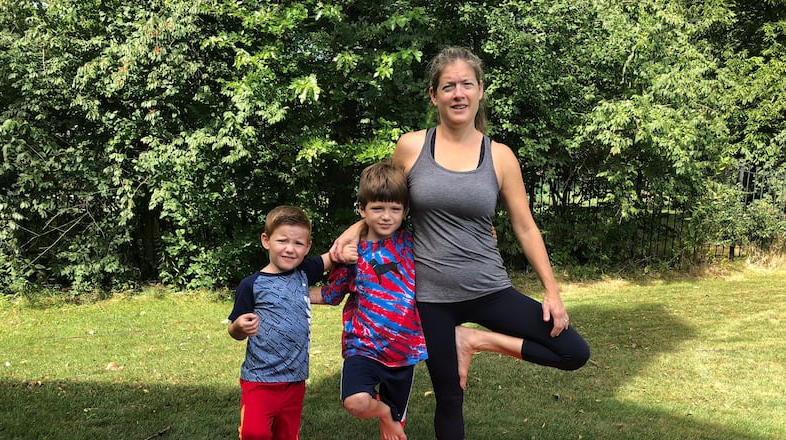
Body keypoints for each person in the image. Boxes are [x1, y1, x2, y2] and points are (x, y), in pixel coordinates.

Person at [330, 46, 590, 439]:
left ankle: (475, 339)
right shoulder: (412, 146)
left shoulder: (500, 156)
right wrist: (353, 231)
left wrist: (551, 291)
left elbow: (525, 227)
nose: (458, 93)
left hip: (489, 288)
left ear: (480, 90)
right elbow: (385, 205)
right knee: (449, 399)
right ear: (434, 95)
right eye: (448, 86)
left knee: (573, 351)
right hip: (431, 299)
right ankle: (460, 339)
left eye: (466, 84)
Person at [320, 162, 428, 440]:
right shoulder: (351, 254)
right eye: (377, 208)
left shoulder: (414, 244)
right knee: (356, 401)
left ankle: (391, 419)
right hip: (363, 347)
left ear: (405, 211)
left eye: (395, 209)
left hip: (404, 351)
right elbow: (331, 294)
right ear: (362, 210)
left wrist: (479, 237)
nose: (386, 216)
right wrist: (284, 290)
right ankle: (384, 413)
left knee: (394, 433)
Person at [227, 205, 335, 440]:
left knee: (287, 435)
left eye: (298, 243)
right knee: (255, 434)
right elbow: (234, 330)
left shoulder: (304, 273)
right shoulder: (251, 284)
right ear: (266, 240)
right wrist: (239, 327)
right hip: (259, 381)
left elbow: (333, 255)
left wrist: (361, 234)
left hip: (295, 380)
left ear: (307, 246)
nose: (290, 249)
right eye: (282, 241)